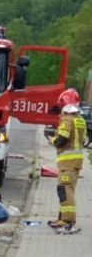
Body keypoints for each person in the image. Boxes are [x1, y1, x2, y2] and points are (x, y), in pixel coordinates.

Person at [47, 88, 87, 234]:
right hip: (75, 162)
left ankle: (67, 222)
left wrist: (51, 139)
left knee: (65, 190)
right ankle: (63, 218)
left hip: (67, 162)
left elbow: (60, 140)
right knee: (66, 190)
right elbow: (82, 140)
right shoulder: (80, 120)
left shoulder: (67, 120)